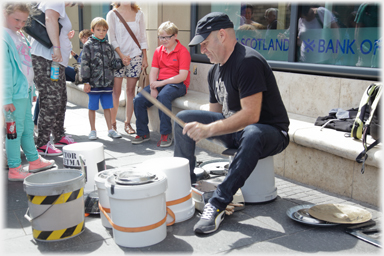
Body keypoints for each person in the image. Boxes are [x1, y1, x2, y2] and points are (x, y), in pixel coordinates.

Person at [175, 12, 290, 234]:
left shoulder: (247, 61)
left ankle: (217, 203)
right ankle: (185, 185)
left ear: (222, 35)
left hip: (270, 133)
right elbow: (216, 116)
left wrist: (209, 129)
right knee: (184, 119)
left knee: (253, 132)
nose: (202, 50)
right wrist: (201, 129)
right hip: (240, 131)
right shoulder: (214, 71)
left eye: (205, 43)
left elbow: (251, 115)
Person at [3, 3, 55, 181]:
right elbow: (5, 71)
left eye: (23, 21)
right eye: (16, 19)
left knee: (25, 129)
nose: (20, 24)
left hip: (23, 92)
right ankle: (15, 168)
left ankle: (33, 160)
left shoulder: (19, 35)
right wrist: (6, 98)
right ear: (4, 12)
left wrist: (32, 88)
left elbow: (27, 65)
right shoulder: (4, 37)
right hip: (13, 96)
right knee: (14, 132)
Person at [133, 21, 191, 147]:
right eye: (161, 37)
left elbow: (182, 76)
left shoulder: (183, 51)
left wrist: (161, 84)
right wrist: (153, 86)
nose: (163, 40)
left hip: (178, 84)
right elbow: (153, 71)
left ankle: (166, 133)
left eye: (167, 37)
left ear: (175, 36)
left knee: (163, 96)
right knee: (138, 99)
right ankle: (143, 133)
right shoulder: (159, 51)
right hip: (160, 83)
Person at [30, 2, 77, 156]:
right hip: (47, 58)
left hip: (55, 61)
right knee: (51, 100)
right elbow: (50, 19)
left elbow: (53, 23)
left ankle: (59, 136)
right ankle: (42, 143)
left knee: (61, 98)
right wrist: (57, 47)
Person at [106, 2, 148, 135]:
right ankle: (113, 124)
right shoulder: (112, 14)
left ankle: (128, 123)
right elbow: (112, 38)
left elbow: (142, 37)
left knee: (130, 91)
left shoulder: (139, 14)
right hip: (118, 57)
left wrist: (145, 57)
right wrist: (121, 55)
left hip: (135, 56)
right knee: (116, 92)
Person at [81, 17, 126, 140]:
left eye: (104, 30)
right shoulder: (88, 46)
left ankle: (110, 129)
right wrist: (86, 81)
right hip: (94, 83)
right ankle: (93, 130)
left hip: (107, 83)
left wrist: (123, 62)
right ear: (92, 30)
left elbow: (112, 63)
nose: (102, 32)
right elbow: (84, 64)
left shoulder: (109, 46)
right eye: (98, 29)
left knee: (107, 107)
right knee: (92, 107)